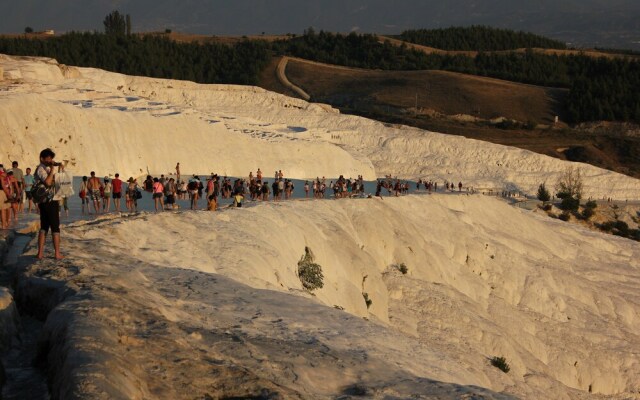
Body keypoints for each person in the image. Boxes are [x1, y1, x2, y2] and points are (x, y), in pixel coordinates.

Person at [35, 148, 63, 260]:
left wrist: (60, 169)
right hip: (49, 201)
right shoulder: (40, 169)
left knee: (44, 227)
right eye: (48, 158)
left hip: (48, 201)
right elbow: (47, 182)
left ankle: (40, 253)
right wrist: (52, 170)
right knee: (54, 227)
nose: (51, 160)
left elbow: (57, 181)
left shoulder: (45, 168)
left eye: (51, 158)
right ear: (42, 158)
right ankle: (57, 254)